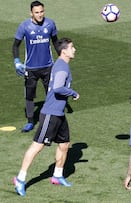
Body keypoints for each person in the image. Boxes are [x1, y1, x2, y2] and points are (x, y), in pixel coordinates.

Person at [13, 37, 79, 196]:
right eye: (72, 47)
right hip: (51, 114)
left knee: (64, 144)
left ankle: (57, 175)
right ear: (64, 51)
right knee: (37, 146)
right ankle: (20, 179)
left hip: (59, 114)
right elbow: (57, 88)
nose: (74, 49)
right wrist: (73, 93)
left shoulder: (61, 65)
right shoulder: (62, 67)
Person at [12, 1, 58, 132]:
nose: (40, 15)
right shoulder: (24, 26)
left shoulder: (50, 24)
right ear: (31, 13)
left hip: (48, 66)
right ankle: (30, 121)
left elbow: (55, 42)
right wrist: (17, 61)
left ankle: (52, 121)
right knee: (29, 95)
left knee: (51, 94)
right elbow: (15, 45)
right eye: (37, 12)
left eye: (41, 11)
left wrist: (62, 57)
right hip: (31, 68)